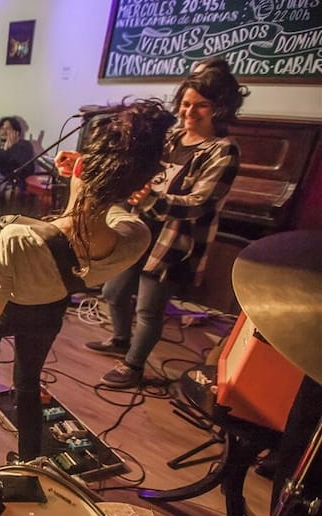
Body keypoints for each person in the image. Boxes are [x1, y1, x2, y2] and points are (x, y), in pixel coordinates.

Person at [0, 99, 175, 486]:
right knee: (28, 385)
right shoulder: (137, 235)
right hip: (49, 312)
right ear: (135, 186)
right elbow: (113, 213)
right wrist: (99, 178)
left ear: (80, 167)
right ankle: (31, 468)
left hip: (3, 309)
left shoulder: (19, 237)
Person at [85, 58, 248, 388]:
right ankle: (119, 340)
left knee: (148, 310)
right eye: (186, 104)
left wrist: (149, 199)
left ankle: (133, 365)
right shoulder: (172, 137)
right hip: (139, 230)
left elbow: (199, 205)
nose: (189, 112)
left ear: (221, 109)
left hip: (174, 243)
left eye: (201, 106)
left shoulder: (223, 151)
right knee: (113, 292)